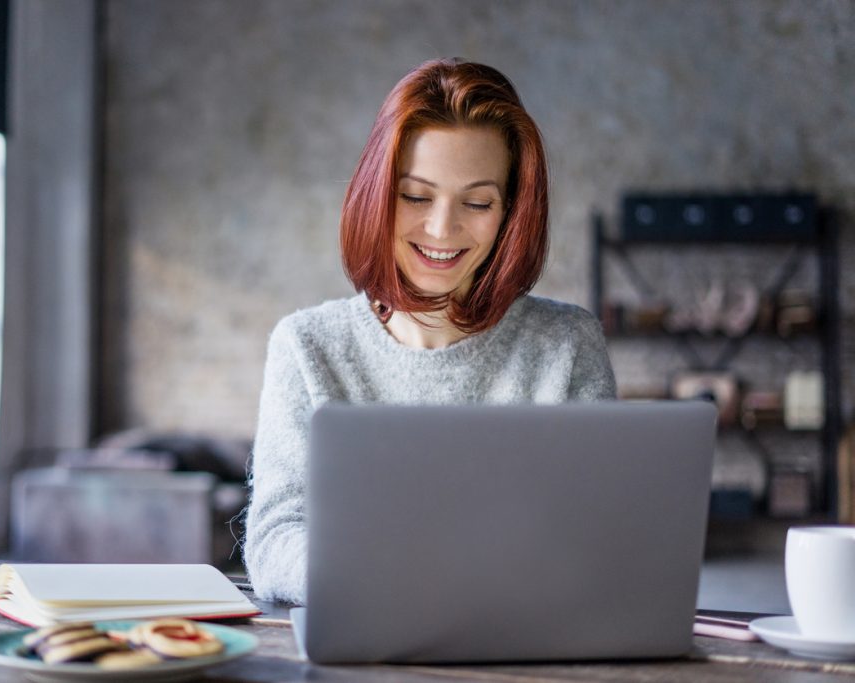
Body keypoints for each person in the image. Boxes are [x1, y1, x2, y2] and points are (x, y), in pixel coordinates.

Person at [243, 58, 616, 605]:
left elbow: (601, 539)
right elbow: (277, 537)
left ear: (511, 213)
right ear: (376, 194)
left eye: (478, 202)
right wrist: (381, 583)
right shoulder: (307, 347)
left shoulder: (566, 347)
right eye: (416, 196)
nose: (442, 228)